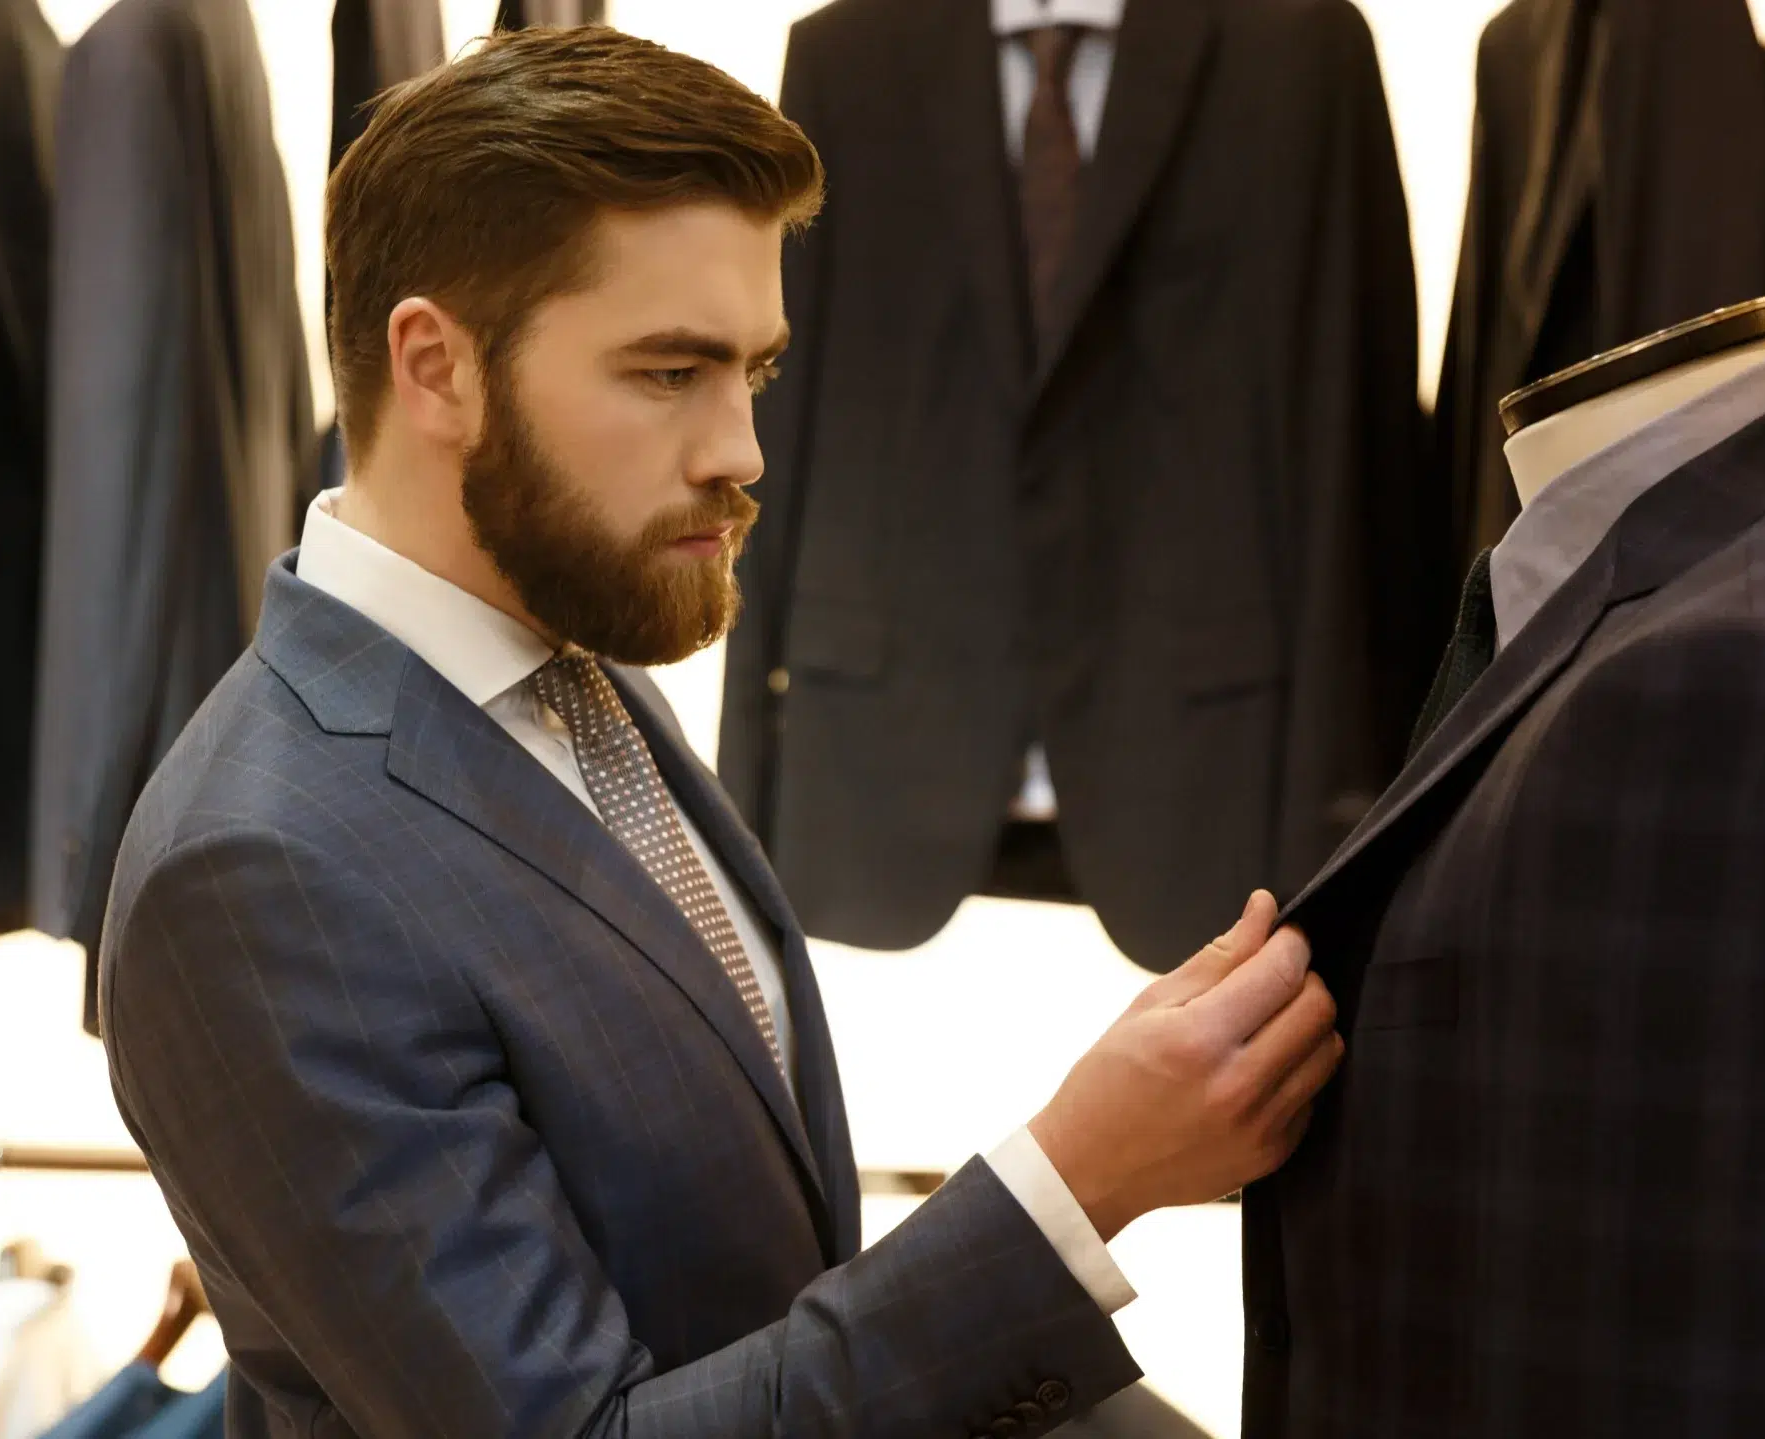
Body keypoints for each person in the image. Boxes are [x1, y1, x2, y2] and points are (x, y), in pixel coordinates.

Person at [100, 26, 1341, 1437]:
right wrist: (1076, 1182)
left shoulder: (577, 670)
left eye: (752, 372)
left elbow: (754, 1291)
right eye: (668, 372)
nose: (742, 450)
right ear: (436, 366)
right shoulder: (258, 869)